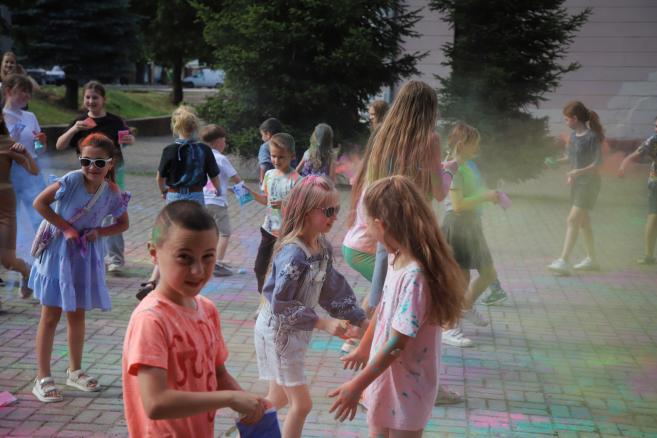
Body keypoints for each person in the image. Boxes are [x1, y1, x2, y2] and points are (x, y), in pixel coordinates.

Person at [328, 175, 464, 437]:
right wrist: (363, 348)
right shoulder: (396, 257)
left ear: (381, 225)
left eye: (366, 223)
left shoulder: (415, 277)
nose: (366, 230)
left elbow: (397, 343)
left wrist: (357, 384)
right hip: (384, 378)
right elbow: (384, 310)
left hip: (408, 387)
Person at [122, 201, 266, 437]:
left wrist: (248, 403)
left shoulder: (207, 309)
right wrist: (229, 398)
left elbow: (218, 374)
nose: (198, 270)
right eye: (184, 257)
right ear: (154, 253)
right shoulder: (151, 320)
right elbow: (155, 403)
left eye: (208, 257)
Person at [254, 175, 367, 438]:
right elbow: (281, 304)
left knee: (278, 398)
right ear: (306, 212)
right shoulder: (294, 255)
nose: (335, 216)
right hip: (277, 333)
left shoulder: (322, 246)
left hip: (290, 332)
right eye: (328, 211)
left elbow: (332, 287)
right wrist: (323, 323)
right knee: (302, 404)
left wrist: (358, 318)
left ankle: (245, 431)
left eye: (337, 209)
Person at [30, 133, 130, 403]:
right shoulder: (72, 180)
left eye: (99, 163)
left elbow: (123, 224)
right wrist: (66, 228)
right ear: (80, 161)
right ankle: (42, 377)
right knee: (50, 316)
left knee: (77, 315)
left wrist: (99, 231)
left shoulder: (112, 192)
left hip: (84, 258)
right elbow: (40, 203)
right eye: (86, 161)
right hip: (58, 254)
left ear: (111, 164)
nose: (92, 167)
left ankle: (74, 371)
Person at [137, 105, 220, 300]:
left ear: (176, 126)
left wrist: (163, 191)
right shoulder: (204, 150)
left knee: (168, 236)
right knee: (194, 237)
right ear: (195, 126)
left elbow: (160, 177)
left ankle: (153, 280)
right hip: (196, 195)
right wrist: (218, 190)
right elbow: (214, 175)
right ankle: (188, 277)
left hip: (174, 195)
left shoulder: (170, 150)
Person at [55, 81, 135, 274]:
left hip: (113, 172)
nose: (91, 101)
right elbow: (59, 145)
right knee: (89, 213)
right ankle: (92, 255)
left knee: (113, 213)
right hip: (88, 175)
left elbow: (127, 139)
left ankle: (115, 259)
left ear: (103, 99)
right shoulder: (80, 122)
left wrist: (129, 140)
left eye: (95, 97)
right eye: (88, 97)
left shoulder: (115, 121)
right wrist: (75, 129)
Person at [440, 122, 503, 348]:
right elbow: (457, 205)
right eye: (474, 143)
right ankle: (447, 327)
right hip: (458, 226)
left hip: (472, 226)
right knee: (460, 279)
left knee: (488, 272)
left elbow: (474, 192)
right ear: (461, 144)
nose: (478, 147)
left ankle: (464, 308)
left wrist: (492, 195)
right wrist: (485, 196)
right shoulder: (453, 167)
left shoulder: (469, 165)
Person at [547, 101, 604, 276]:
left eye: (566, 119)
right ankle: (592, 259)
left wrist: (578, 172)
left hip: (589, 184)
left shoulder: (592, 137)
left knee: (572, 220)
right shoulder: (573, 136)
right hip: (577, 183)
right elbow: (570, 158)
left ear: (575, 118)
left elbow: (598, 163)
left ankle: (563, 261)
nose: (565, 122)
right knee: (584, 222)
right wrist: (556, 162)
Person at [247, 132, 302, 293]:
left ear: (292, 156)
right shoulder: (269, 175)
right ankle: (263, 297)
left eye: (281, 157)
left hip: (288, 233)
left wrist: (285, 204)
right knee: (259, 268)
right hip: (268, 229)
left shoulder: (297, 180)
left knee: (284, 270)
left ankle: (280, 298)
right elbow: (266, 200)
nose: (276, 161)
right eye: (273, 156)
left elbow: (302, 207)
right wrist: (250, 194)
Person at [2, 74, 48, 232]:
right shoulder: (2, 117)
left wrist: (40, 142)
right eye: (23, 91)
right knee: (9, 217)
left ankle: (42, 247)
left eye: (29, 92)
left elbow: (39, 150)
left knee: (40, 215)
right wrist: (10, 141)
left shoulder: (30, 117)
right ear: (9, 91)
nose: (27, 96)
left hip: (32, 168)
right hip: (10, 171)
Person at [0, 115, 39, 301]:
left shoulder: (8, 144)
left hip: (4, 210)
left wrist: (25, 153)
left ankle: (27, 271)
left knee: (8, 261)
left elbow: (34, 170)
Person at [200, 124, 243, 277]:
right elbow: (237, 179)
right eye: (224, 140)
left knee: (207, 232)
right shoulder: (221, 159)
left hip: (202, 201)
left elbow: (210, 181)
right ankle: (217, 263)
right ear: (218, 141)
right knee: (225, 233)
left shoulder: (202, 156)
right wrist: (243, 193)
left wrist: (227, 188)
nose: (225, 143)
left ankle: (204, 260)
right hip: (217, 202)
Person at [618, 115, 657, 264]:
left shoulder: (653, 140)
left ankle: (648, 255)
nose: (656, 129)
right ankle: (648, 255)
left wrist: (623, 165)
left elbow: (634, 155)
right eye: (655, 126)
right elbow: (634, 155)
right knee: (653, 217)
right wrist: (623, 165)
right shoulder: (653, 140)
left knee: (653, 217)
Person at [258, 118, 283, 186]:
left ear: (268, 134)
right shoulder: (287, 144)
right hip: (286, 181)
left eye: (262, 135)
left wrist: (262, 182)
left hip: (271, 183)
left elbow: (264, 165)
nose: (262, 138)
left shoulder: (265, 147)